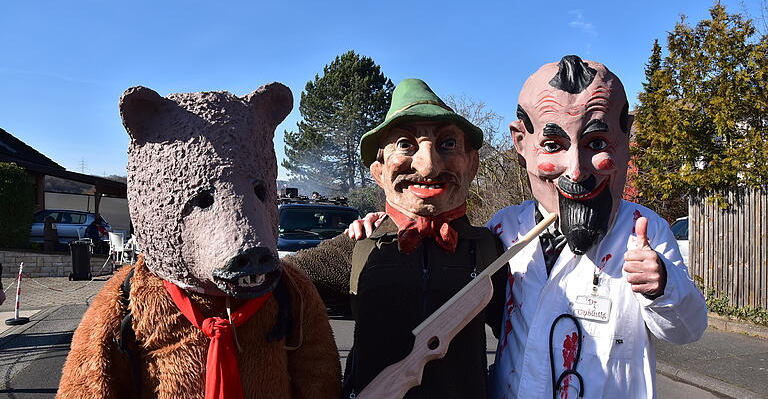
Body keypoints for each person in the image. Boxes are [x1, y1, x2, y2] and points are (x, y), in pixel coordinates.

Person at [349, 57, 708, 398]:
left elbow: (686, 330)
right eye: (553, 145)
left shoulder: (644, 231)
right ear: (522, 142)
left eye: (596, 143)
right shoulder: (503, 231)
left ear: (626, 136)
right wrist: (383, 227)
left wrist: (662, 286)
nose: (577, 171)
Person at [283, 78, 507, 398]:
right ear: (379, 171)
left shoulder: (490, 248)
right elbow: (269, 291)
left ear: (472, 165)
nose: (427, 166)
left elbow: (527, 341)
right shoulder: (360, 245)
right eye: (405, 144)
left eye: (447, 144)